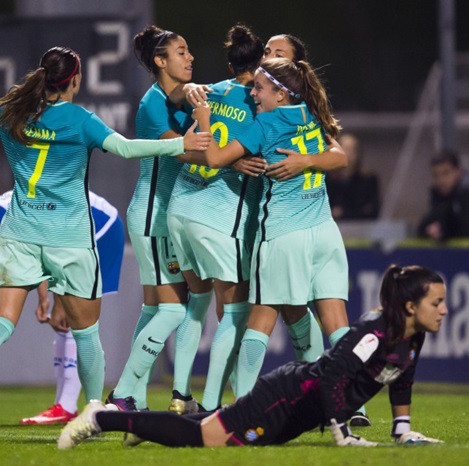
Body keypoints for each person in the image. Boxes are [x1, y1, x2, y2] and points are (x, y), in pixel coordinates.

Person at [0, 46, 210, 429]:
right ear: (75, 80)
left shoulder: (13, 112)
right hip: (69, 238)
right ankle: (93, 409)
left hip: (20, 234)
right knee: (86, 333)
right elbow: (124, 148)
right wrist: (178, 144)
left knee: (2, 322)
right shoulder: (80, 120)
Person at [58, 264, 446, 449]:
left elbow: (402, 379)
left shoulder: (410, 336)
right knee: (203, 437)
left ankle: (137, 424)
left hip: (297, 412)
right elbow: (332, 379)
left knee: (209, 428)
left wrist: (403, 429)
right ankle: (101, 418)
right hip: (284, 398)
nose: (445, 310)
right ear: (410, 306)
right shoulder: (374, 334)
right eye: (437, 302)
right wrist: (342, 436)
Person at [191, 58, 353, 406]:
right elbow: (340, 158)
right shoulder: (309, 113)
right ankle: (352, 404)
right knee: (337, 325)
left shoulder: (264, 124)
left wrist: (205, 118)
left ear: (280, 94)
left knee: (259, 321)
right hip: (325, 232)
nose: (253, 93)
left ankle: (244, 408)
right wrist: (308, 160)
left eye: (260, 88)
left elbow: (216, 158)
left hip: (283, 234)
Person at [0, 190, 124, 425]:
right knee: (72, 325)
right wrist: (45, 298)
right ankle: (72, 405)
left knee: (77, 321)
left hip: (99, 229)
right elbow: (42, 249)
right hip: (65, 232)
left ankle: (73, 405)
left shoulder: (7, 218)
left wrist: (56, 299)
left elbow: (44, 248)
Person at [107, 26, 214, 415]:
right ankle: (122, 393)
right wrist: (237, 153)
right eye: (181, 52)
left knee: (154, 310)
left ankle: (133, 394)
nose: (190, 58)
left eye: (189, 52)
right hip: (154, 214)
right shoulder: (153, 105)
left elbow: (194, 100)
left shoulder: (179, 99)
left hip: (162, 214)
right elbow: (192, 154)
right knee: (173, 310)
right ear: (160, 60)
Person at [165, 24, 265, 412]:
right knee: (236, 311)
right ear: (262, 67)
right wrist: (235, 159)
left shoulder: (208, 92)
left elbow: (182, 149)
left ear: (230, 63)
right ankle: (215, 407)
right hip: (218, 215)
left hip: (179, 207)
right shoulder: (261, 101)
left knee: (198, 302)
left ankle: (180, 394)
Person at [327, 134, 380, 220]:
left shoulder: (368, 180)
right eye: (345, 149)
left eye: (352, 150)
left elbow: (372, 211)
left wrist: (343, 213)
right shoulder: (327, 181)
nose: (348, 154)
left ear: (358, 153)